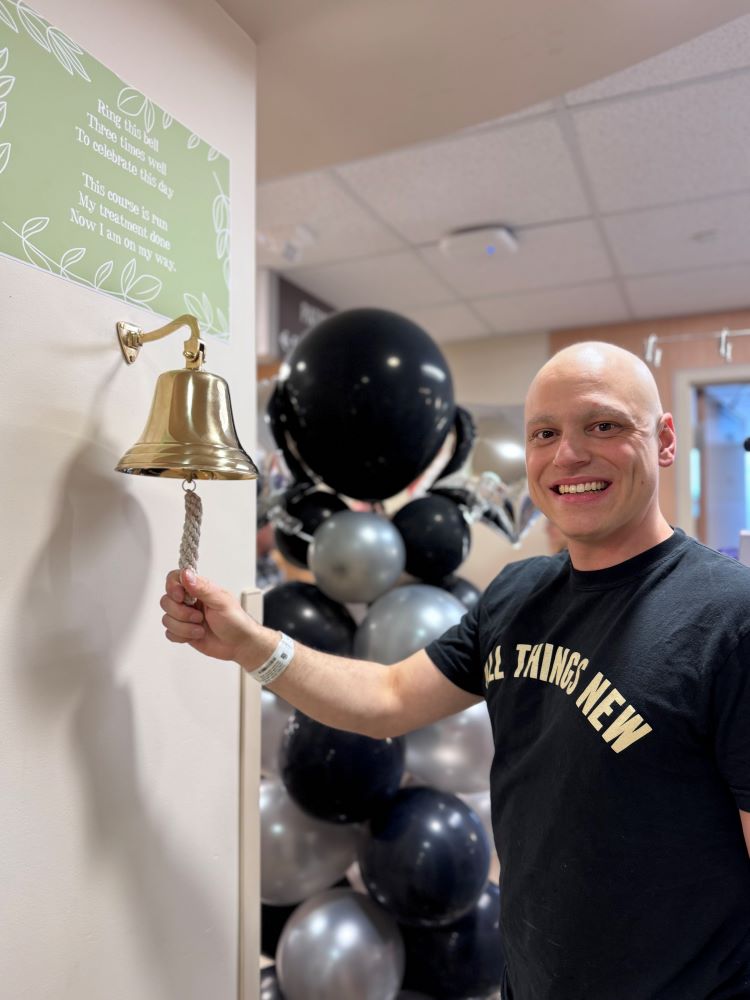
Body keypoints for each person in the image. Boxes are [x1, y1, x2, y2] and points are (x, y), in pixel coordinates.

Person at [160, 341, 750, 999]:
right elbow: (388, 697)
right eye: (544, 434)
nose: (568, 455)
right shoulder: (518, 596)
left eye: (603, 425)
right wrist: (252, 645)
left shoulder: (730, 615)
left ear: (664, 440)